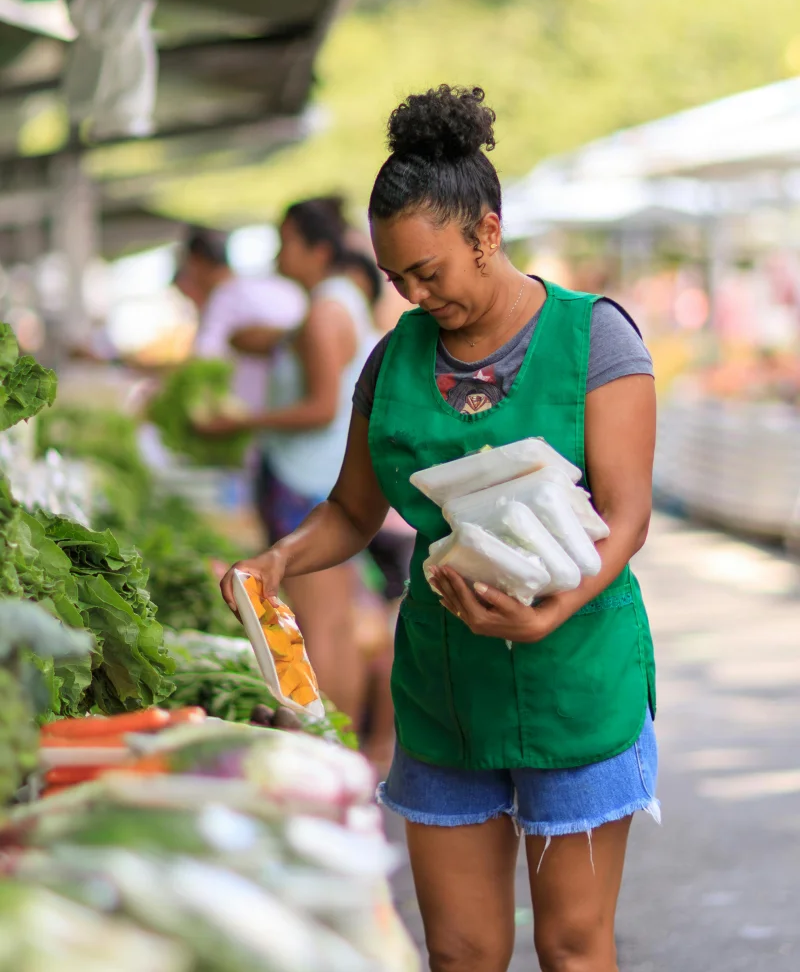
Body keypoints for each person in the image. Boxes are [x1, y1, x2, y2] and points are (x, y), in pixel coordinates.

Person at [221, 85, 658, 972]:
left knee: (573, 946)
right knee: (460, 952)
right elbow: (353, 509)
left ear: (485, 234)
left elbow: (627, 515)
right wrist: (280, 556)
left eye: (431, 272)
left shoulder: (595, 340)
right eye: (396, 279)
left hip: (574, 675)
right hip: (444, 690)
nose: (417, 294)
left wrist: (548, 612)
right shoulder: (393, 358)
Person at [201, 198, 377, 722]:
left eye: (286, 242)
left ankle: (332, 747)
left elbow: (322, 407)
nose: (278, 255)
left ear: (317, 249)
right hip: (324, 477)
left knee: (319, 626)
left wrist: (242, 422)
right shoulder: (336, 303)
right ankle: (346, 751)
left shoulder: (324, 312)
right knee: (336, 621)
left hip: (307, 484)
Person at [178, 226, 306, 412]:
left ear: (196, 263)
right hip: (293, 411)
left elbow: (202, 360)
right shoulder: (284, 289)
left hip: (255, 419)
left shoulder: (224, 298)